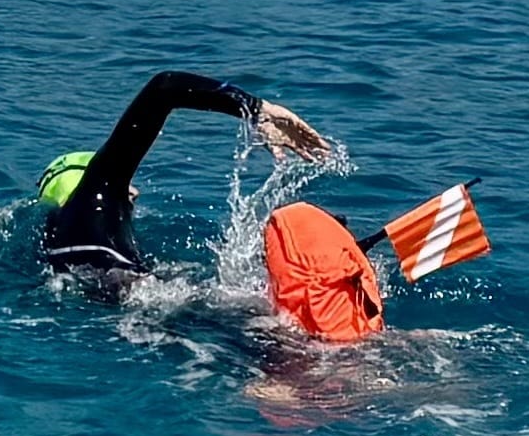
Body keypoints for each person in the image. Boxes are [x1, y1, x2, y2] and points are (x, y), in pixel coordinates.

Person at [36, 69, 334, 286]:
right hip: (149, 297)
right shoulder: (95, 195)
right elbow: (164, 88)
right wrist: (256, 109)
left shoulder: (54, 244)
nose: (135, 192)